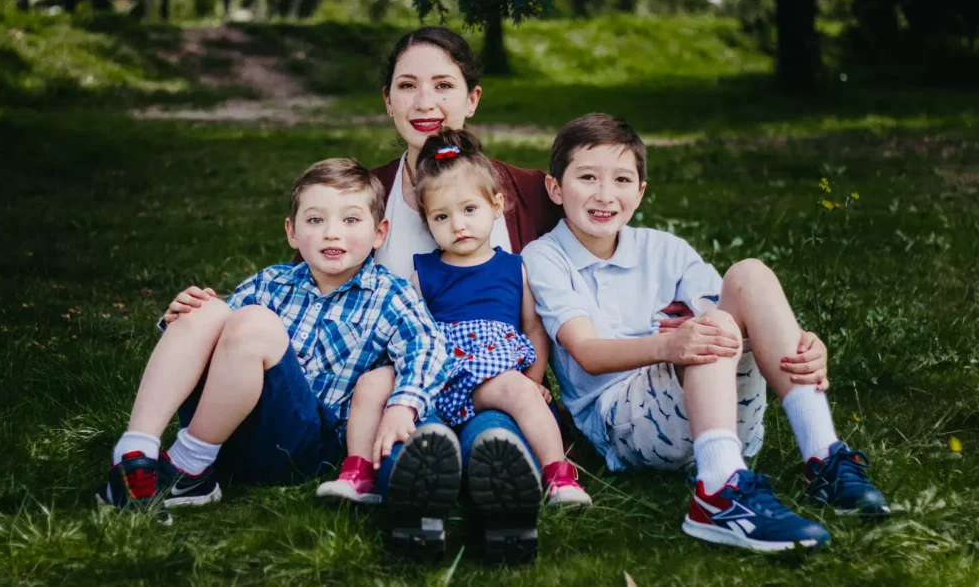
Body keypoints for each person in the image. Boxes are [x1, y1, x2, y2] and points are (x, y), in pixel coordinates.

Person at [522, 113, 890, 553]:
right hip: (623, 423)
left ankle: (824, 457)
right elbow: (585, 352)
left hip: (719, 415)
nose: (605, 195)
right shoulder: (545, 257)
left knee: (749, 275)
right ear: (555, 188)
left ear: (639, 192)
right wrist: (670, 344)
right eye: (587, 178)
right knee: (711, 327)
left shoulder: (664, 248)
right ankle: (716, 494)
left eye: (621, 180)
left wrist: (803, 341)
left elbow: (738, 311)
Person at [97, 159, 450, 525]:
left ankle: (189, 469)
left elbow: (428, 349)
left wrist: (404, 404)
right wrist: (183, 319)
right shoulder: (272, 282)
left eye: (350, 220)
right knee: (209, 309)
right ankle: (135, 457)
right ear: (292, 232)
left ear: (380, 233)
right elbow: (210, 338)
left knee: (253, 323)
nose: (332, 233)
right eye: (315, 220)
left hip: (296, 447)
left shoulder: (390, 295)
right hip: (228, 425)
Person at [317, 130, 591, 514]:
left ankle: (558, 475)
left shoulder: (515, 268)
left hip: (489, 372)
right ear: (428, 223)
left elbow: (532, 328)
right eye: (442, 217)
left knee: (523, 394)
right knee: (371, 383)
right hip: (434, 372)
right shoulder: (423, 272)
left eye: (469, 210)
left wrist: (533, 380)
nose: (458, 225)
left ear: (496, 207)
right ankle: (358, 470)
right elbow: (407, 328)